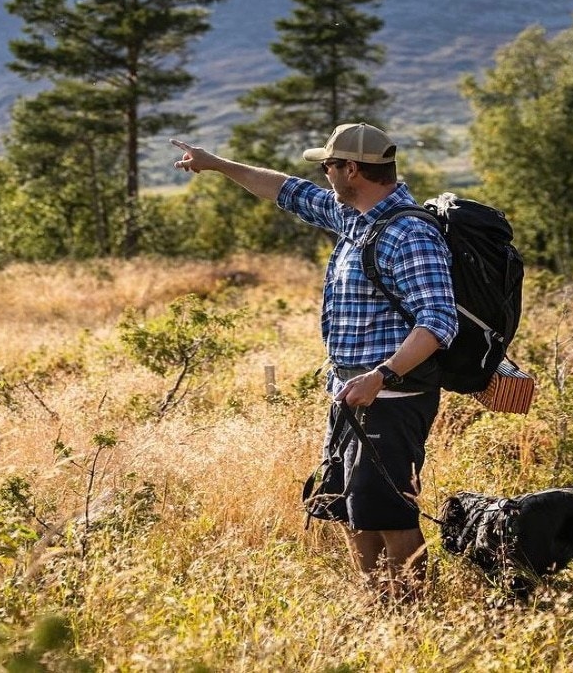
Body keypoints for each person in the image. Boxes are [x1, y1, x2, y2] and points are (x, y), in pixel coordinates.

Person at [171, 123, 457, 599]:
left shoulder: (409, 234)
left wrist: (381, 376)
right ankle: (378, 605)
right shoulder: (354, 216)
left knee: (391, 513)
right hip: (351, 392)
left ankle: (412, 613)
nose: (323, 173)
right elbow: (285, 189)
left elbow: (438, 322)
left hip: (392, 395)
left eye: (328, 165)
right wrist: (216, 164)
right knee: (352, 507)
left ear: (351, 169)